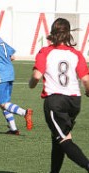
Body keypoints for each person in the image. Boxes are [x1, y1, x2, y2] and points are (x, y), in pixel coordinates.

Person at [29, 18, 89, 172]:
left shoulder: (46, 51)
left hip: (56, 101)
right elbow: (86, 79)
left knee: (63, 139)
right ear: (68, 34)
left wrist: (32, 84)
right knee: (57, 137)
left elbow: (36, 76)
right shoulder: (76, 54)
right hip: (74, 101)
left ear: (53, 33)